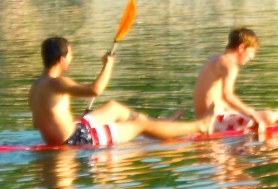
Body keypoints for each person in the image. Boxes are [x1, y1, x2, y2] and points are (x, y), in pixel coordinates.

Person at [30, 36, 215, 147]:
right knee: (139, 126)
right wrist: (108, 65)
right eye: (71, 55)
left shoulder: (36, 85)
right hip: (77, 139)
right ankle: (201, 126)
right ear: (62, 59)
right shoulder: (57, 83)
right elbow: (96, 90)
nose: (72, 58)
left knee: (113, 107)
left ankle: (159, 124)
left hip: (72, 132)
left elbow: (39, 123)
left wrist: (74, 119)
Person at [193, 27, 278, 137]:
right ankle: (277, 116)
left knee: (256, 115)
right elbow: (228, 95)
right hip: (215, 120)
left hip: (203, 118)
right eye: (251, 51)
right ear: (241, 47)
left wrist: (245, 113)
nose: (252, 57)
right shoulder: (230, 66)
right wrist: (252, 113)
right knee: (267, 117)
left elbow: (218, 98)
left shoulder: (214, 59)